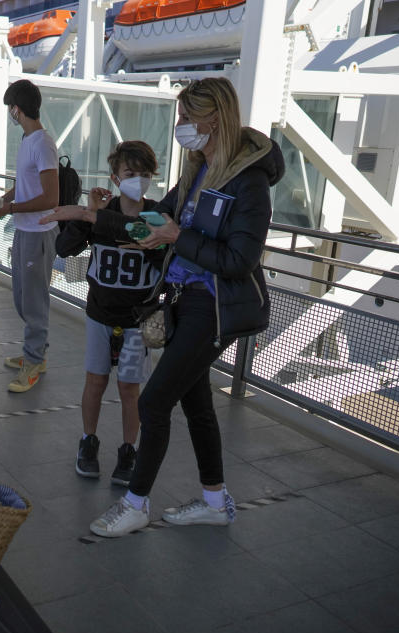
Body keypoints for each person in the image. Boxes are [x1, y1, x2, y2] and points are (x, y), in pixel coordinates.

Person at [48, 77, 283, 537]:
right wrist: (89, 216)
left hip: (212, 307)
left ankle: (135, 503)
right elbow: (151, 223)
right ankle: (215, 500)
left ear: (213, 119)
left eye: (186, 118)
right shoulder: (198, 171)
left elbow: (240, 261)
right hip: (181, 301)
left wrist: (178, 237)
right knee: (197, 404)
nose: (180, 127)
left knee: (153, 401)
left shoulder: (249, 183)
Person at [53, 141, 163, 485]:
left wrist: (135, 231)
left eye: (144, 174)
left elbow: (163, 254)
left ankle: (129, 449)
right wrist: (90, 214)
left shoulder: (156, 215)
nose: (138, 180)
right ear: (115, 178)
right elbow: (64, 247)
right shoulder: (100, 212)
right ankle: (88, 441)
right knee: (96, 380)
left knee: (130, 388)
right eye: (131, 173)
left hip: (138, 318)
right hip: (100, 314)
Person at [0, 79, 60, 393]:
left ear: (17, 109)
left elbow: (50, 199)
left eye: (10, 108)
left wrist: (12, 208)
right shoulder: (27, 140)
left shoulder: (43, 143)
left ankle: (34, 361)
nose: (10, 114)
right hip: (24, 230)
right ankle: (36, 353)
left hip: (39, 233)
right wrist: (6, 201)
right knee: (22, 297)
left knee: (33, 301)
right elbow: (24, 184)